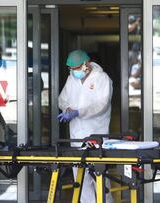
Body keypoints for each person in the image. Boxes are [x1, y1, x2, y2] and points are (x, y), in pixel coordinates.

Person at [58, 49, 113, 203]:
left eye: (76, 68)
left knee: (100, 179)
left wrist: (79, 112)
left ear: (86, 64)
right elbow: (62, 99)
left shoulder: (102, 78)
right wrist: (67, 108)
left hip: (97, 135)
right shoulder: (71, 79)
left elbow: (102, 105)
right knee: (80, 180)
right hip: (76, 137)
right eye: (71, 69)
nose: (74, 72)